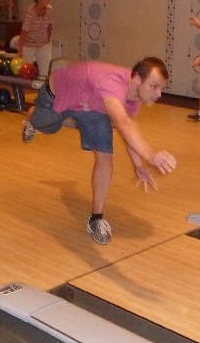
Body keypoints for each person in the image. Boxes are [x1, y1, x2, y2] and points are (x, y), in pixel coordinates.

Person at [21, 57, 177, 245]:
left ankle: (96, 218)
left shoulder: (133, 96)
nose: (159, 93)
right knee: (44, 125)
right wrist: (150, 154)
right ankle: (32, 120)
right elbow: (123, 123)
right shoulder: (112, 85)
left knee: (105, 155)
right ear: (137, 79)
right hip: (59, 93)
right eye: (154, 86)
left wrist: (138, 165)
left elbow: (128, 128)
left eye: (161, 88)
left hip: (92, 107)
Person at [17, 0, 53, 78]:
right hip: (29, 44)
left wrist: (48, 38)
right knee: (27, 71)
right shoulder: (31, 12)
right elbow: (24, 32)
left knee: (44, 71)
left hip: (43, 43)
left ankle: (42, 86)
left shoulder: (49, 9)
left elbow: (49, 25)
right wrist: (20, 51)